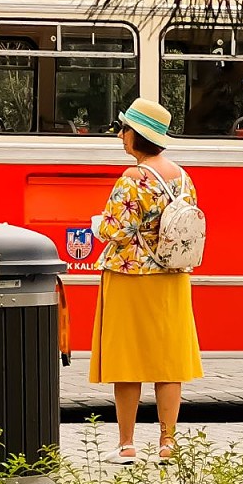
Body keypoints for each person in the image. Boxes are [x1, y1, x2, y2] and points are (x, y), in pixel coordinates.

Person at [89, 98, 203, 463]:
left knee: (129, 361)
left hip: (130, 277)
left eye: (124, 130)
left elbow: (115, 229)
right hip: (172, 278)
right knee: (168, 363)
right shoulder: (182, 177)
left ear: (136, 136)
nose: (121, 136)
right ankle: (168, 444)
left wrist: (96, 224)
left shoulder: (133, 178)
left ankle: (126, 445)